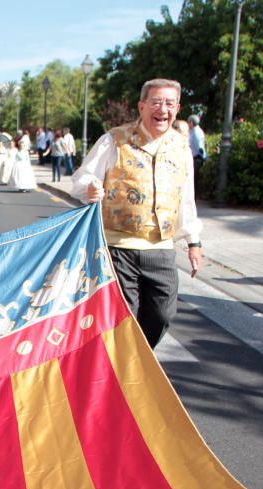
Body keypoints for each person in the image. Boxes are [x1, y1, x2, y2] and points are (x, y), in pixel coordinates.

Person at [71, 78, 203, 349]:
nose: (162, 109)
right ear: (142, 106)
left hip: (162, 249)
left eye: (169, 103)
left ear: (177, 108)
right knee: (124, 317)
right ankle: (126, 372)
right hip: (119, 248)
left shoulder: (181, 147)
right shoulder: (114, 140)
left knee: (162, 314)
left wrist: (193, 241)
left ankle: (136, 359)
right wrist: (92, 188)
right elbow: (81, 179)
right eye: (156, 102)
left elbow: (186, 197)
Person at [189, 114, 206, 179]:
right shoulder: (196, 131)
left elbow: (200, 147)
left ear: (191, 123)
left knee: (194, 179)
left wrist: (203, 158)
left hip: (197, 159)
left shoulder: (196, 132)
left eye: (189, 122)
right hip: (197, 158)